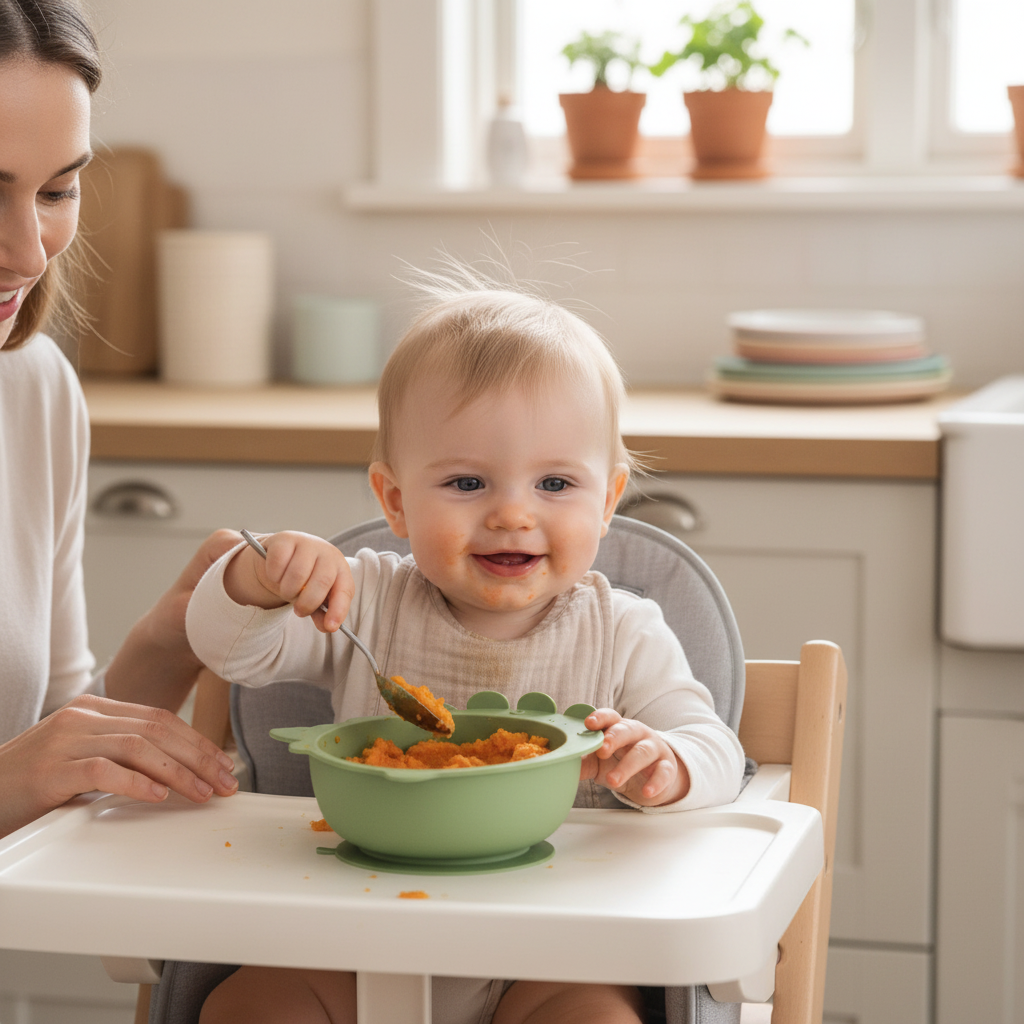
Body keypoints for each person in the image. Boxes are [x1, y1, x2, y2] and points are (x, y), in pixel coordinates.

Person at [186, 272, 746, 1024]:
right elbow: (231, 652)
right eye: (466, 481)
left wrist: (666, 764)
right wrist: (256, 582)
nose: (512, 514)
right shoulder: (363, 601)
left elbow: (714, 748)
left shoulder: (625, 631)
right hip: (353, 938)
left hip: (555, 951)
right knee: (251, 1004)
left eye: (554, 482)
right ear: (395, 502)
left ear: (608, 500)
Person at [0, 0, 239, 840]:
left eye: (57, 190)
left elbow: (44, 758)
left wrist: (172, 640)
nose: (30, 252)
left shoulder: (30, 390)